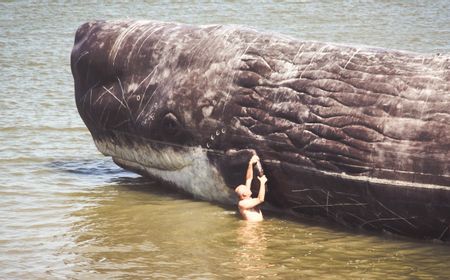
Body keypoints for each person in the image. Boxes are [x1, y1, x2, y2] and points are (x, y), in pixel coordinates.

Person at [235, 155, 268, 222]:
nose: (248, 188)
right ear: (244, 195)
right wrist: (262, 183)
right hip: (250, 229)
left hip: (257, 226)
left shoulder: (247, 197)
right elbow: (260, 199)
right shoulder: (242, 204)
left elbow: (249, 179)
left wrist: (250, 164)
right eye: (246, 188)